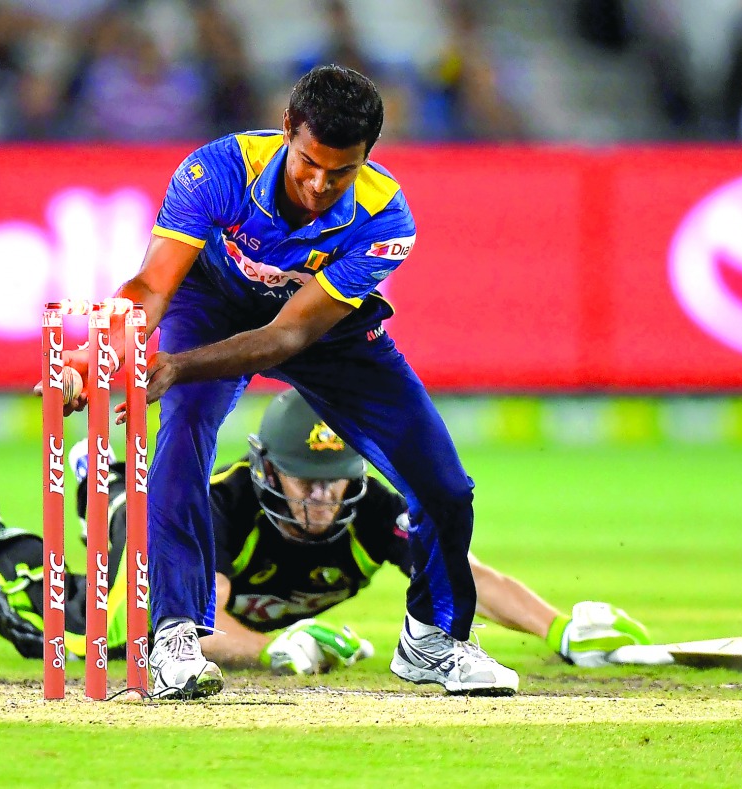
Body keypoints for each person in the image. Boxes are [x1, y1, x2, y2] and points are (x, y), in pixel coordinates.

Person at [58, 65, 522, 698]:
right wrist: (100, 348)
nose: (320, 184)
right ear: (286, 131)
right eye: (309, 162)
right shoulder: (217, 171)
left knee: (443, 485)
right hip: (214, 302)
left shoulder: (387, 220)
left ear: (367, 159)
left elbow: (287, 339)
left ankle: (433, 640)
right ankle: (172, 636)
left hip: (321, 329)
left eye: (342, 172)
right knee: (181, 440)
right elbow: (151, 287)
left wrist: (177, 366)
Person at [0, 390, 652, 686]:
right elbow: (204, 626)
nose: (322, 498)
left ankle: (113, 477)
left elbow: (464, 575)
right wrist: (277, 648)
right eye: (303, 479)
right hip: (172, 530)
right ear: (268, 469)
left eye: (333, 480)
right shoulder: (232, 507)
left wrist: (559, 624)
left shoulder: (367, 505)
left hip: (207, 560)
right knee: (79, 629)